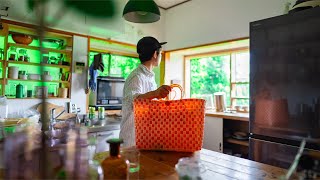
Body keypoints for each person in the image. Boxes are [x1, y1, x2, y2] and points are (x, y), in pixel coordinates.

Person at [120, 36, 172, 147]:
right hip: (131, 139)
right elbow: (133, 101)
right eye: (160, 53)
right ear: (155, 54)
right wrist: (155, 93)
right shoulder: (136, 76)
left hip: (145, 137)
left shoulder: (149, 77)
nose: (161, 56)